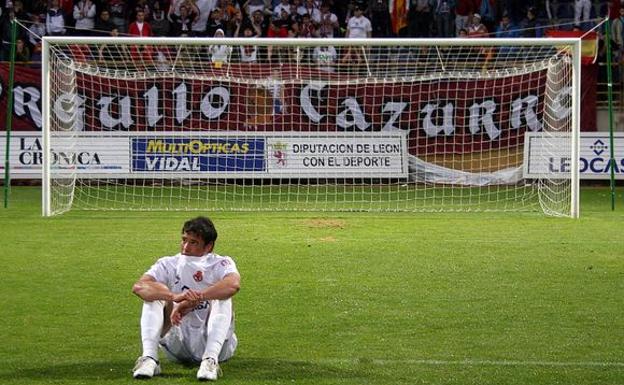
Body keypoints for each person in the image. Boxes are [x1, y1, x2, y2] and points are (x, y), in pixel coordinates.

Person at [131, 216, 241, 381]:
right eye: (184, 240)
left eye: (193, 242)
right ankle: (150, 358)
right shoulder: (168, 263)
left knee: (223, 297)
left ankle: (210, 360)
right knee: (156, 293)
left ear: (209, 246)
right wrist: (174, 296)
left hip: (216, 344)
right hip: (178, 341)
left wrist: (196, 298)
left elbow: (233, 285)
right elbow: (139, 287)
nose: (185, 246)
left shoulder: (221, 263)